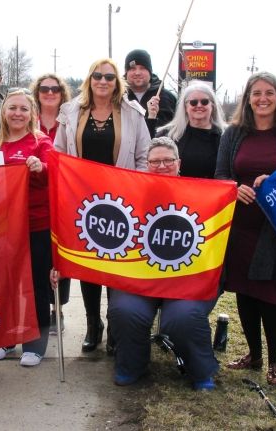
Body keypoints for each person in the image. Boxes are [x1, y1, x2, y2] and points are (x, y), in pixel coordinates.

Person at [214, 72, 276, 387]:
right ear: (248, 98)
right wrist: (234, 188)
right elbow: (220, 176)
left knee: (269, 294)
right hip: (240, 226)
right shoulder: (233, 134)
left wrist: (275, 182)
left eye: (269, 93)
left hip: (274, 228)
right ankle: (254, 355)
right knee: (244, 291)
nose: (263, 98)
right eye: (256, 93)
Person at [54, 58, 150, 354]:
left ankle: (115, 326)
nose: (103, 81)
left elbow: (143, 157)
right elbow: (59, 152)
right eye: (98, 76)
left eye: (109, 77)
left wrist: (137, 191)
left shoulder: (132, 113)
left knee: (115, 263)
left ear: (117, 81)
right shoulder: (71, 112)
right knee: (89, 264)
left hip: (122, 202)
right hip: (82, 202)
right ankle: (93, 325)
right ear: (89, 79)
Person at [107, 137, 219, 390]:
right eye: (154, 161)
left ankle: (200, 370)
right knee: (125, 310)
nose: (161, 165)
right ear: (146, 165)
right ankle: (131, 366)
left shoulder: (202, 193)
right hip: (141, 276)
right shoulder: (132, 195)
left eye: (167, 160)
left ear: (178, 163)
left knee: (183, 317)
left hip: (187, 279)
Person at [0, 89, 54, 366]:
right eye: (12, 108)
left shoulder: (41, 142)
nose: (17, 113)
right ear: (3, 112)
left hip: (36, 224)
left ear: (32, 114)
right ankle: (5, 338)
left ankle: (35, 344)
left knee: (36, 285)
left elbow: (54, 172)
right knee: (5, 285)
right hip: (2, 227)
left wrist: (40, 168)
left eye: (24, 109)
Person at [30, 73, 72, 331]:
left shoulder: (68, 120)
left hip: (63, 196)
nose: (49, 93)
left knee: (59, 254)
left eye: (55, 89)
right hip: (35, 198)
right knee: (38, 257)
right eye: (44, 88)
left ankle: (59, 307)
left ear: (62, 93)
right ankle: (40, 306)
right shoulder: (26, 119)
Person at [157, 80, 225, 179]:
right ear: (185, 106)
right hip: (177, 192)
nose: (199, 105)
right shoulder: (167, 135)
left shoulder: (226, 136)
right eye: (193, 102)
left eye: (204, 102)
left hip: (215, 192)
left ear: (212, 105)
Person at [123, 49, 177, 137]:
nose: (137, 73)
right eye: (132, 69)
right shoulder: (117, 97)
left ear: (150, 71)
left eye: (142, 68)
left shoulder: (167, 98)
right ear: (126, 73)